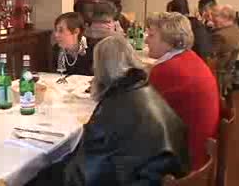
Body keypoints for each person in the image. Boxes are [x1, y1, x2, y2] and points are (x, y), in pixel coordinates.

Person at [62, 35, 190, 185]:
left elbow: (83, 176)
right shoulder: (147, 91)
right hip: (167, 173)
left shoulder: (112, 108)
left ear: (101, 70)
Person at [146, 12, 220, 170]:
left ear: (169, 41)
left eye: (151, 36)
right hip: (201, 149)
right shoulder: (189, 56)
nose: (146, 40)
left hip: (186, 158)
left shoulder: (167, 70)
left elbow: (144, 116)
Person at [210, 4, 239, 98]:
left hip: (218, 73)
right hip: (228, 71)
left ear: (225, 18)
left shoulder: (219, 35)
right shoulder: (236, 29)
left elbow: (210, 56)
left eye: (216, 16)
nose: (213, 19)